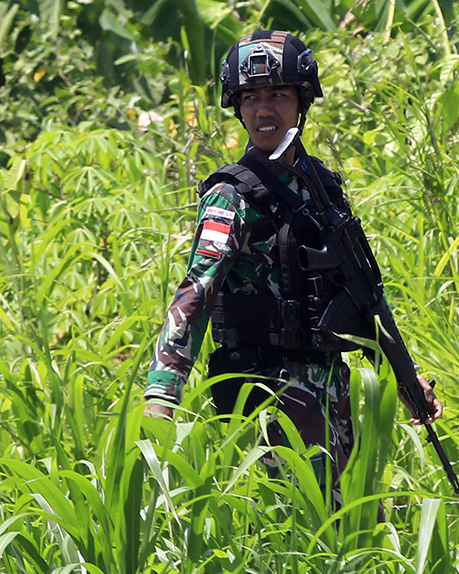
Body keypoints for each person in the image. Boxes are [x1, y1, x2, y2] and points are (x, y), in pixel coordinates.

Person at [143, 30, 441, 497]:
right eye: (251, 97)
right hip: (266, 392)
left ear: (301, 101)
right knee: (296, 534)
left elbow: (363, 293)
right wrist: (163, 389)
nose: (264, 110)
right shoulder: (233, 195)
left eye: (278, 95)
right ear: (237, 107)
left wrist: (405, 376)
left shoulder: (322, 187)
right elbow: (197, 292)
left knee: (361, 527)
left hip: (332, 388)